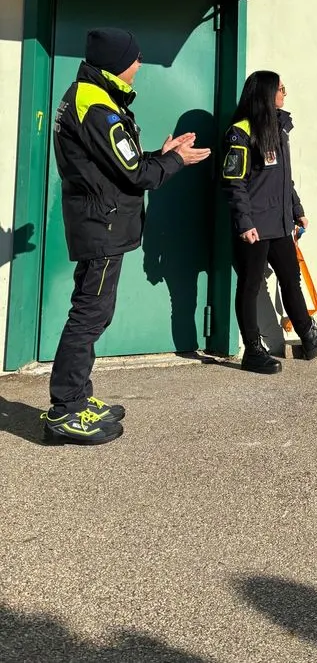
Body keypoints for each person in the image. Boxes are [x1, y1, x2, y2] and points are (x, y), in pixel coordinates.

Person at [43, 28, 211, 445]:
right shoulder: (99, 106)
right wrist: (174, 160)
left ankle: (80, 398)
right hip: (103, 225)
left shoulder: (91, 96)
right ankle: (64, 410)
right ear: (118, 63)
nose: (139, 65)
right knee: (89, 315)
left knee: (92, 311)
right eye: (135, 59)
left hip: (101, 220)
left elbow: (119, 164)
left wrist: (161, 152)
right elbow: (137, 174)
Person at [221, 70, 317, 373]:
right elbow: (234, 182)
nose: (284, 93)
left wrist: (297, 209)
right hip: (254, 225)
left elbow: (284, 180)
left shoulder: (278, 128)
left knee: (291, 277)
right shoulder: (241, 132)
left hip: (279, 223)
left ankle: (309, 334)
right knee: (250, 285)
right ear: (265, 93)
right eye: (280, 88)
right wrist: (244, 221)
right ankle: (253, 350)